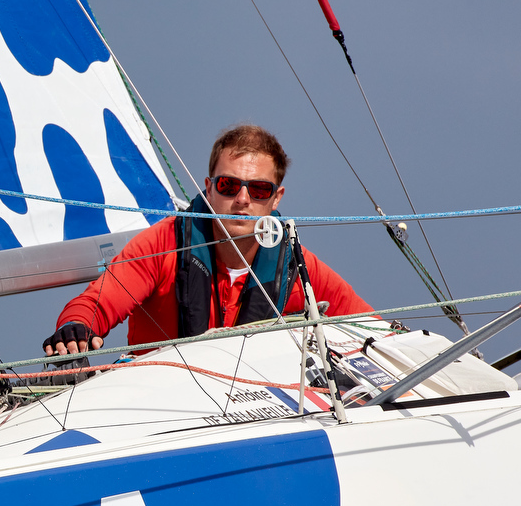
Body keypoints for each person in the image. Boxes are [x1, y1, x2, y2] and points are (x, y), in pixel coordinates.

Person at [43, 124, 373, 358]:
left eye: (258, 190)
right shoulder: (164, 244)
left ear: (276, 198)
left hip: (258, 412)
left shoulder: (295, 266)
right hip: (158, 407)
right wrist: (76, 328)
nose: (243, 200)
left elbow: (370, 328)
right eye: (229, 186)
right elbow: (97, 303)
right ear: (210, 188)